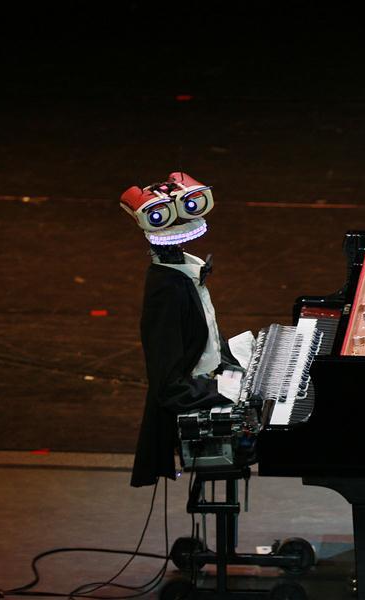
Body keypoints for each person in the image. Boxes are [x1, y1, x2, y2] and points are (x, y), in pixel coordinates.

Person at [120, 172, 243, 487]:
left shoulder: (187, 271)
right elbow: (169, 385)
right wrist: (223, 395)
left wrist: (233, 366)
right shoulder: (167, 289)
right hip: (197, 396)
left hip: (211, 380)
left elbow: (205, 339)